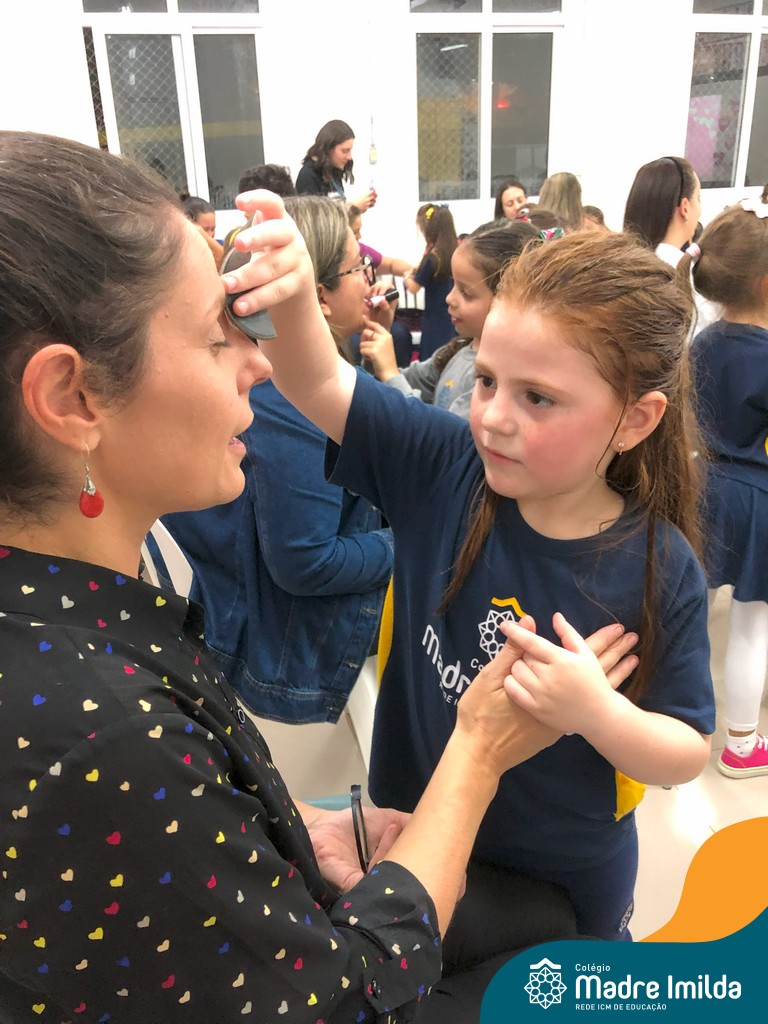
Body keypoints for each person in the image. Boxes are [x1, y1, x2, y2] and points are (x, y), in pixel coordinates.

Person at [0, 132, 644, 1023]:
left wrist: (281, 828)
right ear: (72, 398)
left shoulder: (85, 627)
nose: (257, 364)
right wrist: (479, 748)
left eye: (541, 396)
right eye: (217, 336)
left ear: (636, 417)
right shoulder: (106, 734)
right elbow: (346, 1003)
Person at [227, 209, 716, 943]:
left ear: (635, 420)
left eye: (537, 397)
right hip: (416, 835)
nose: (492, 417)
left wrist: (596, 712)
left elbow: (685, 749)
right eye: (486, 380)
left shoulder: (659, 564)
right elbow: (318, 379)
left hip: (562, 880)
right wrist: (295, 296)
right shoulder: (445, 464)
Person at [163, 196, 394, 724]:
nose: (368, 279)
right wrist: (411, 541)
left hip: (238, 630)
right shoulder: (294, 403)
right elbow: (305, 562)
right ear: (317, 296)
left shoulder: (284, 387)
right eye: (358, 266)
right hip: (290, 661)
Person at [687, 199, 768, 778]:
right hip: (754, 499)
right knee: (751, 624)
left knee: (688, 611)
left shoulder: (702, 341)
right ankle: (742, 746)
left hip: (699, 484)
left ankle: (670, 722)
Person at [360, 221, 540, 420]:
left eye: (466, 293)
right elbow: (387, 388)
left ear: (510, 302)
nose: (449, 298)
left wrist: (390, 373)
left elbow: (440, 433)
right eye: (453, 285)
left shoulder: (495, 379)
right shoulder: (457, 351)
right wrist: (377, 340)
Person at [623, 155, 719, 335]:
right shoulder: (686, 276)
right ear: (685, 207)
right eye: (698, 198)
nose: (700, 208)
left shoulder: (623, 267)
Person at [403, 204, 457, 360]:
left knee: (433, 356)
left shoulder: (433, 258)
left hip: (435, 316)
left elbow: (414, 288)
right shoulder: (455, 252)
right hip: (451, 313)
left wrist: (406, 276)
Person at [295, 119, 376, 211]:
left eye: (350, 150)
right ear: (328, 148)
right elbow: (314, 218)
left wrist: (360, 207)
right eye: (344, 151)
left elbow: (339, 213)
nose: (349, 157)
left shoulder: (332, 172)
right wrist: (353, 207)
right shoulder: (307, 176)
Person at [182, 194, 224, 268]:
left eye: (213, 229)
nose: (210, 235)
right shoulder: (183, 257)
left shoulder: (221, 245)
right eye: (205, 230)